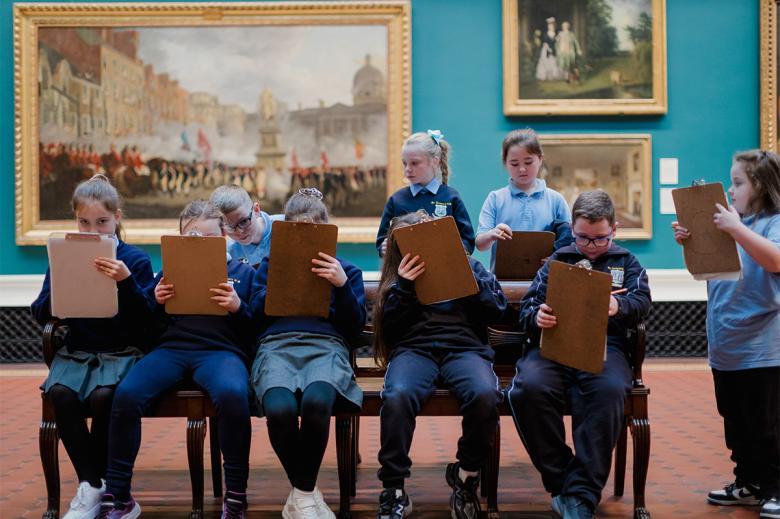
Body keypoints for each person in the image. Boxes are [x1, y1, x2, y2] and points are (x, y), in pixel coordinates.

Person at [99, 200, 256, 519]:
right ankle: (119, 497)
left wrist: (239, 307)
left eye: (208, 237)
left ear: (223, 234)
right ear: (180, 237)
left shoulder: (243, 272)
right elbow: (147, 332)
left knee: (232, 395)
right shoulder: (166, 274)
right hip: (171, 350)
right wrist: (155, 303)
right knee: (126, 395)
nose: (199, 243)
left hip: (221, 352)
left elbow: (255, 333)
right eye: (191, 237)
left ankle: (236, 496)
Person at [508, 190, 652, 519]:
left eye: (599, 239)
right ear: (572, 229)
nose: (590, 246)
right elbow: (529, 306)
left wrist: (620, 306)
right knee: (527, 388)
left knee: (608, 391)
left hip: (606, 346)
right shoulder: (559, 259)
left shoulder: (626, 262)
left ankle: (582, 495)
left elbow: (643, 303)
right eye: (582, 238)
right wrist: (537, 316)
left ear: (614, 230)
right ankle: (565, 479)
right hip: (554, 346)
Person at [31, 174, 154, 519]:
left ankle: (101, 483)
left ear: (117, 217)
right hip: (79, 351)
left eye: (101, 222)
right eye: (84, 222)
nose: (93, 230)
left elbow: (147, 320)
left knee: (103, 397)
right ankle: (91, 485)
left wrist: (125, 281)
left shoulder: (135, 259)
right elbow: (40, 312)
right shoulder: (64, 256)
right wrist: (62, 281)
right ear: (76, 220)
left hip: (122, 351)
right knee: (61, 395)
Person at [373, 211, 506, 519]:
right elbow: (389, 329)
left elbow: (497, 309)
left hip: (464, 348)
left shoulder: (468, 263)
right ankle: (393, 488)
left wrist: (465, 277)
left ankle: (466, 474)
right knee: (398, 396)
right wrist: (405, 286)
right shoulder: (398, 275)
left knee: (485, 395)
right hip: (414, 350)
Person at [673, 150, 780, 519]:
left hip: (764, 346)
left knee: (767, 424)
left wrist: (736, 229)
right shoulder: (731, 222)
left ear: (761, 186)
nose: (730, 190)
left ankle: (775, 488)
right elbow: (708, 270)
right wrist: (694, 240)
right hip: (726, 340)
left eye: (737, 183)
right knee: (736, 420)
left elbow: (776, 260)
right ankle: (748, 482)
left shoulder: (772, 222)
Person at [250, 188, 365, 519]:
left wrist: (341, 286)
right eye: (296, 230)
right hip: (277, 346)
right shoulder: (269, 265)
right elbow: (253, 317)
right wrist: (280, 282)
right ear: (286, 231)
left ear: (326, 231)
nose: (304, 238)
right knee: (279, 408)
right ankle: (306, 494)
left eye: (313, 230)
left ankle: (300, 495)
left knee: (317, 403)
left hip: (325, 347)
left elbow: (354, 328)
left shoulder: (346, 270)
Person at [476, 128, 573, 272]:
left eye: (528, 162)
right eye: (514, 164)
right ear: (505, 163)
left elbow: (570, 241)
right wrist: (492, 234)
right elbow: (480, 245)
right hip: (503, 282)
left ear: (540, 159)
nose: (522, 169)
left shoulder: (555, 199)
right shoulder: (495, 198)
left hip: (545, 281)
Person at [375, 130, 475, 257]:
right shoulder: (396, 200)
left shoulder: (451, 197)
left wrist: (453, 251)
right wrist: (384, 248)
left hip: (442, 271)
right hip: (404, 273)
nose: (408, 169)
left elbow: (468, 241)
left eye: (415, 163)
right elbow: (381, 241)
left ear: (435, 161)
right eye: (404, 163)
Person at [210, 184, 283, 268]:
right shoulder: (228, 252)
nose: (239, 232)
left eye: (244, 221)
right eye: (230, 227)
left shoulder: (287, 226)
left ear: (256, 210)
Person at [536, 17, 563, 81]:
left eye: (553, 26)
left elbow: (558, 41)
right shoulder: (545, 34)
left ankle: (554, 76)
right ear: (548, 26)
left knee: (555, 63)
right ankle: (546, 76)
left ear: (555, 26)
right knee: (546, 62)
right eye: (550, 26)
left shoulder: (557, 34)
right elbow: (545, 43)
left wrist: (558, 39)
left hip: (555, 49)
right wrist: (549, 49)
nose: (552, 27)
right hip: (547, 50)